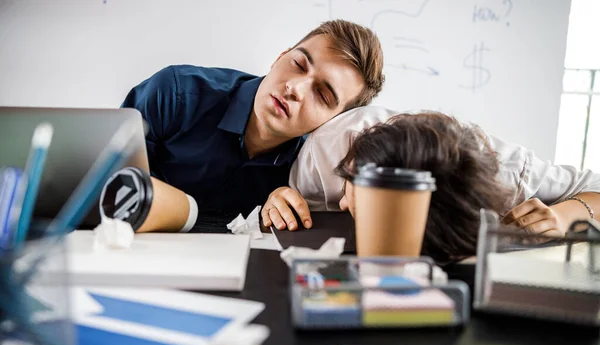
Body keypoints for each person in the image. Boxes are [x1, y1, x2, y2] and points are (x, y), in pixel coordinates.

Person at [121, 20, 384, 228]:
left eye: (322, 95)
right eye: (298, 64)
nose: (295, 88)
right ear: (280, 56)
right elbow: (106, 180)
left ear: (333, 121)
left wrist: (276, 212)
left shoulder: (310, 173)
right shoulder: (175, 93)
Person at [262, 108, 600, 256]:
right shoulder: (326, 151)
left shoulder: (514, 173)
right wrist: (277, 199)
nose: (342, 204)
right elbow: (281, 211)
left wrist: (567, 215)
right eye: (349, 185)